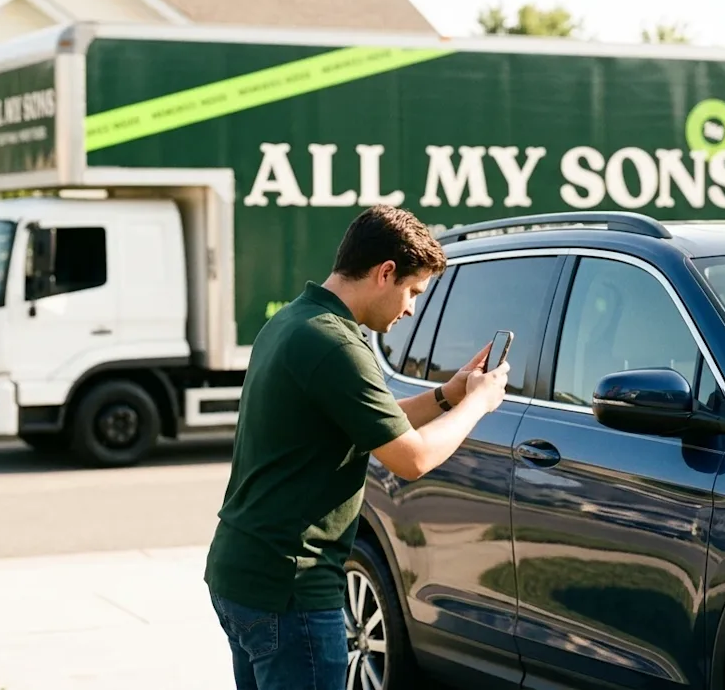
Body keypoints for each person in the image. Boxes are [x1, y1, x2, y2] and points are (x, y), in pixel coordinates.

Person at [203, 204, 510, 689]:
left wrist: (449, 395)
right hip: (292, 588)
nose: (410, 308)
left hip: (244, 573)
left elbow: (377, 423)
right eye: (412, 291)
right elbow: (413, 458)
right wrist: (479, 403)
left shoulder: (295, 322)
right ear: (385, 272)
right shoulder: (337, 345)